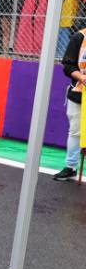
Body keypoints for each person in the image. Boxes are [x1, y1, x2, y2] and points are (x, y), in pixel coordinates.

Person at [53, 25, 86, 181]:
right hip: (79, 92)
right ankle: (71, 166)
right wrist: (82, 78)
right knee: (75, 131)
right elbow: (68, 65)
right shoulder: (79, 37)